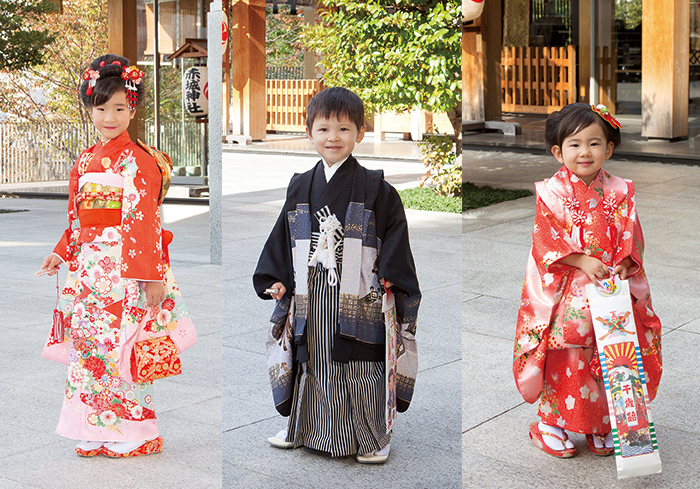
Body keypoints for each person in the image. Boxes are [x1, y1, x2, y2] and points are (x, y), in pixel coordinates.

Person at [38, 54, 195, 458]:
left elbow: (144, 221)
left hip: (126, 268)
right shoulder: (84, 159)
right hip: (89, 271)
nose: (110, 116)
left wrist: (152, 276)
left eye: (120, 108)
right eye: (102, 107)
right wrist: (61, 253)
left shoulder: (139, 159)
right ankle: (94, 426)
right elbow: (76, 218)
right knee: (90, 350)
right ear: (90, 109)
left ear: (133, 109)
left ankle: (139, 432)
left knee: (123, 348)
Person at [253, 87, 421, 464]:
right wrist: (275, 277)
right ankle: (304, 427)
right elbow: (283, 233)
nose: (333, 137)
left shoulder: (377, 187)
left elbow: (395, 232)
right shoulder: (300, 184)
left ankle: (372, 435)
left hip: (360, 292)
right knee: (311, 357)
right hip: (309, 288)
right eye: (324, 128)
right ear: (309, 131)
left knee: (358, 361)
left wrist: (392, 274)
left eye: (344, 129)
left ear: (359, 132)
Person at [512, 103, 662, 458]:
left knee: (612, 355)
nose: (585, 152)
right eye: (574, 144)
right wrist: (580, 260)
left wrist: (627, 262)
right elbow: (544, 239)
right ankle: (549, 424)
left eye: (595, 143)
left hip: (610, 288)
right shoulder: (550, 192)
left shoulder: (621, 190)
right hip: (567, 294)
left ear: (608, 149)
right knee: (568, 357)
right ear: (557, 151)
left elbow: (631, 232)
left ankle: (600, 424)